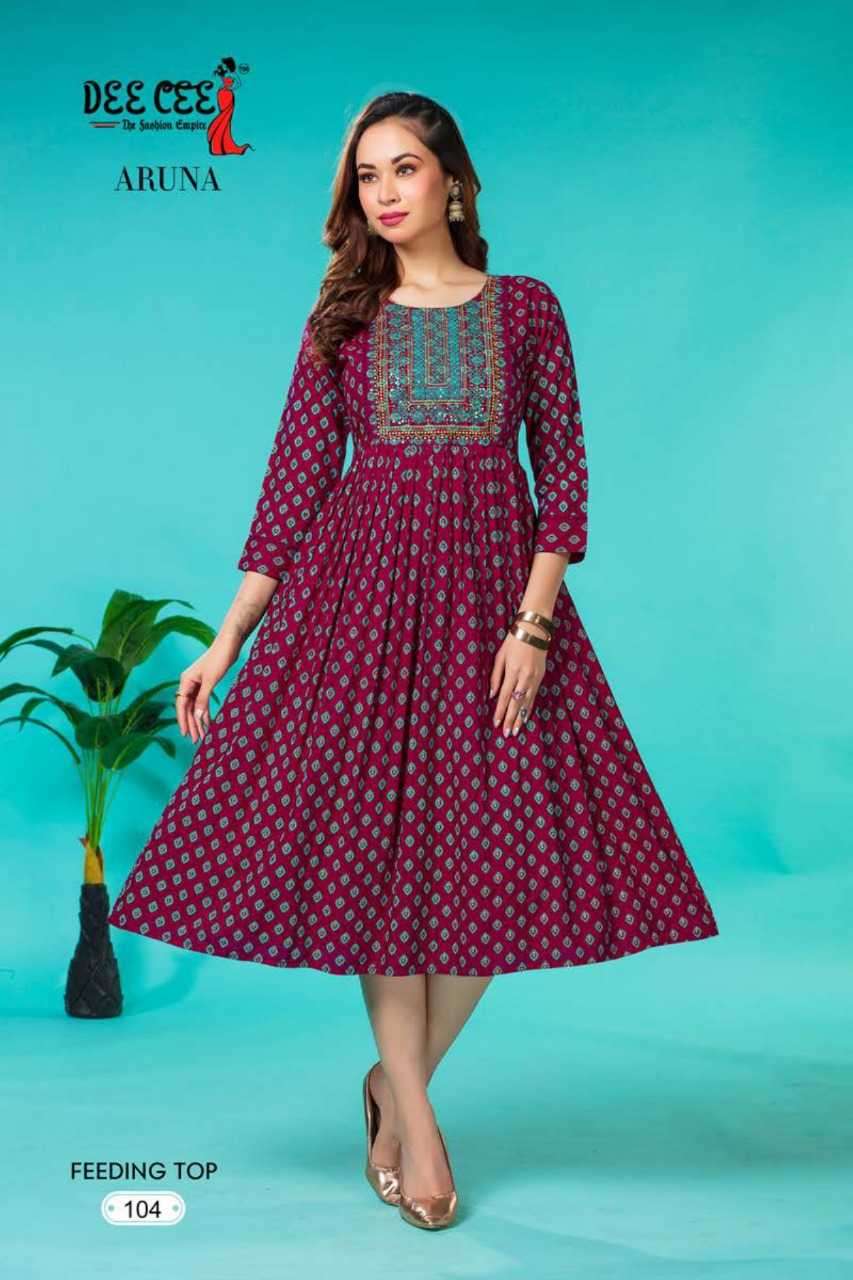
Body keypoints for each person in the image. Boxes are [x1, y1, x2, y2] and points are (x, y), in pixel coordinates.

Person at [108, 91, 719, 1232]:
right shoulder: (342, 320)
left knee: (504, 849)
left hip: (495, 606)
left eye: (404, 168)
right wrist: (226, 637)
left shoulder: (526, 308)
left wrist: (532, 626)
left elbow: (564, 475)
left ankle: (397, 1086)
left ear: (455, 182)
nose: (384, 192)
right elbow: (294, 483)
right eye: (366, 175)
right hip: (362, 606)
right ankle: (420, 1125)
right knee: (382, 862)